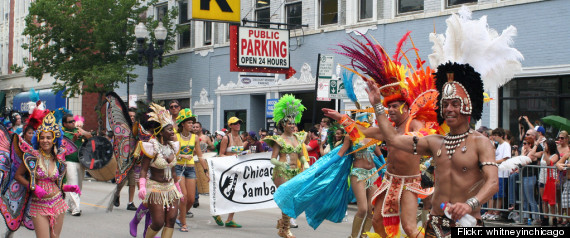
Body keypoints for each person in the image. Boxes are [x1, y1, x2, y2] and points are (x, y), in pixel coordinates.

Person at [327, 32, 439, 238]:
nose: (391, 111)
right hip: (389, 181)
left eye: (395, 106)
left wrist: (417, 134)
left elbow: (423, 136)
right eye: (389, 108)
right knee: (377, 221)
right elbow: (361, 134)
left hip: (409, 183)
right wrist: (342, 118)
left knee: (409, 227)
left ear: (406, 107)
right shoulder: (388, 129)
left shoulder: (414, 123)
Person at [14, 112, 81, 238]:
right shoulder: (31, 156)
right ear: (38, 139)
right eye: (42, 137)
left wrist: (68, 187)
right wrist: (33, 187)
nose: (45, 141)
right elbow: (18, 176)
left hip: (57, 202)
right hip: (39, 204)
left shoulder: (58, 157)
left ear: (54, 139)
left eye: (48, 138)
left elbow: (57, 182)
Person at [262, 94, 308, 238]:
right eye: (289, 124)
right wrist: (281, 164)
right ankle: (285, 229)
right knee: (287, 199)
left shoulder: (298, 138)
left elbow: (301, 155)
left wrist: (306, 163)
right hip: (282, 171)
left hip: (295, 171)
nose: (292, 126)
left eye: (294, 124)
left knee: (294, 199)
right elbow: (273, 159)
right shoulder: (279, 140)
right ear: (283, 124)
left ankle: (282, 222)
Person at [135, 103, 183, 238]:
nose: (173, 132)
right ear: (161, 132)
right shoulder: (151, 147)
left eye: (173, 129)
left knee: (171, 221)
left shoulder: (173, 147)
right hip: (155, 188)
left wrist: (178, 189)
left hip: (171, 189)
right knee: (158, 222)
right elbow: (143, 170)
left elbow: (173, 172)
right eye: (169, 130)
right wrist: (142, 187)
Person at [175, 108, 210, 232]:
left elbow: (200, 155)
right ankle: (183, 223)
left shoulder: (195, 138)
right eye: (189, 122)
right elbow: (171, 154)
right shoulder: (176, 136)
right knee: (183, 196)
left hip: (190, 169)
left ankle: (180, 216)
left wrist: (206, 171)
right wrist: (182, 156)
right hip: (178, 168)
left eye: (192, 123)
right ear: (182, 124)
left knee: (191, 199)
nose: (191, 125)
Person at [213, 117, 246, 228]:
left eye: (239, 123)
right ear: (230, 126)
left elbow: (242, 152)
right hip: (227, 170)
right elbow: (221, 154)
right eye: (235, 123)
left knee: (235, 194)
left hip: (238, 169)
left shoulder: (241, 138)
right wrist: (232, 157)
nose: (238, 125)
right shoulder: (226, 138)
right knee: (225, 193)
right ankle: (216, 213)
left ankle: (230, 219)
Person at [62, 113, 92, 216]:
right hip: (69, 161)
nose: (73, 123)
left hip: (81, 161)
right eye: (70, 122)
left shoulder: (77, 130)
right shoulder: (63, 133)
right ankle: (76, 209)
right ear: (65, 124)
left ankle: (71, 206)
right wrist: (75, 137)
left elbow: (89, 136)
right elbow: (69, 142)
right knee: (73, 183)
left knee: (78, 185)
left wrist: (81, 130)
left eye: (73, 121)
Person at [113, 107, 139, 211]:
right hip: (123, 159)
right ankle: (117, 194)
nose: (132, 118)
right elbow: (116, 142)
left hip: (134, 158)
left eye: (133, 116)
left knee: (132, 182)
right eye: (130, 116)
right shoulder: (121, 127)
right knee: (121, 181)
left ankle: (130, 202)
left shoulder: (137, 128)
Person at [485, 128, 511, 220]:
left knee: (500, 194)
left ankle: (497, 212)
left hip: (503, 173)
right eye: (494, 135)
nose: (494, 137)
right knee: (494, 194)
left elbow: (505, 158)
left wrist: (494, 161)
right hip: (497, 172)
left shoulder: (506, 145)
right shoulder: (498, 145)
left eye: (496, 135)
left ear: (501, 136)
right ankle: (491, 211)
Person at [542, 139, 559, 226]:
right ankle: (545, 218)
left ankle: (554, 219)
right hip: (542, 179)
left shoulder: (555, 155)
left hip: (551, 179)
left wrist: (544, 153)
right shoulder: (543, 154)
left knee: (552, 201)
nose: (545, 146)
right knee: (544, 200)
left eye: (546, 145)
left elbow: (549, 162)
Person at [556, 131, 570, 226]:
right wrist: (560, 166)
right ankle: (568, 220)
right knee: (566, 201)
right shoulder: (568, 155)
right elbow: (558, 163)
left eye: (562, 138)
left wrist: (566, 165)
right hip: (567, 180)